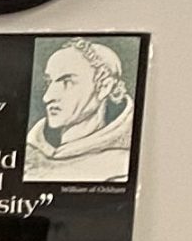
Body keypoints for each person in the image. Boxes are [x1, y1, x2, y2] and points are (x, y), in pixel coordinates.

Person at [23, 38, 135, 184]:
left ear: (104, 87)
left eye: (67, 82)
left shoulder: (120, 169)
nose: (47, 97)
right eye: (49, 82)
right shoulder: (29, 155)